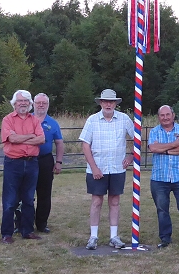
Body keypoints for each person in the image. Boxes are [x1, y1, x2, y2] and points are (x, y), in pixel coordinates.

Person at [78, 89, 135, 250]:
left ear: (115, 103)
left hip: (117, 168)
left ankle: (114, 236)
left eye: (111, 102)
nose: (108, 104)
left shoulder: (124, 119)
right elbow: (85, 145)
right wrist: (94, 167)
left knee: (115, 201)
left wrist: (131, 157)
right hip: (98, 168)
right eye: (105, 101)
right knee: (96, 201)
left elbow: (137, 139)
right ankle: (93, 237)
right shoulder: (92, 120)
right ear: (101, 103)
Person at [148, 105, 179, 248]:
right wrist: (175, 144)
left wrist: (164, 149)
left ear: (173, 115)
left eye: (167, 114)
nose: (165, 118)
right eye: (162, 115)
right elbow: (153, 148)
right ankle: (165, 238)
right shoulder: (154, 131)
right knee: (162, 210)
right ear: (158, 117)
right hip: (159, 177)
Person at [0, 90, 45, 244]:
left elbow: (41, 139)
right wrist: (31, 136)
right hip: (13, 163)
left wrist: (20, 139)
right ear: (14, 103)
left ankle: (27, 231)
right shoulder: (7, 120)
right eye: (20, 101)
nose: (23, 103)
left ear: (30, 103)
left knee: (29, 199)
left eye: (26, 101)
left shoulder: (35, 120)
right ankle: (7, 233)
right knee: (10, 200)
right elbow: (11, 138)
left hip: (32, 163)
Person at [33, 93, 64, 233]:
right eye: (38, 102)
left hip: (45, 160)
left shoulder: (53, 123)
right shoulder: (27, 119)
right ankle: (22, 223)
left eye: (44, 103)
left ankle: (41, 224)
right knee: (24, 193)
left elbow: (59, 143)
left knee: (44, 194)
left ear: (48, 105)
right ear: (33, 104)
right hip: (27, 160)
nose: (41, 105)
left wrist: (59, 162)